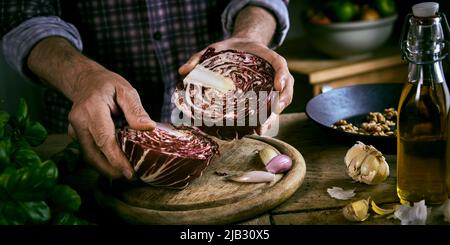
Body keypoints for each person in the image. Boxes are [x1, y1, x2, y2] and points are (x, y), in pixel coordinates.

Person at [0, 0, 294, 180]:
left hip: (221, 125)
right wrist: (81, 78)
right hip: (92, 123)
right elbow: (21, 14)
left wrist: (249, 36)